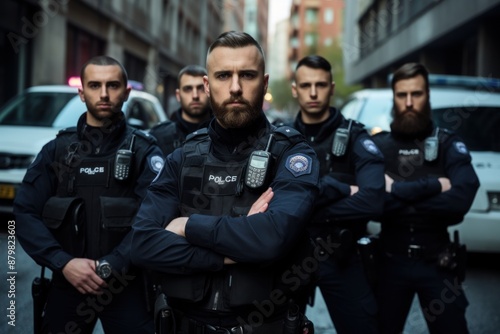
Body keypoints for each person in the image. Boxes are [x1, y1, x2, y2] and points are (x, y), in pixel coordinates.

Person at [130, 31, 320, 334]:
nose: (235, 87)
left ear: (265, 83)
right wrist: (234, 250)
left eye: (247, 75)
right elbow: (142, 244)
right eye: (222, 76)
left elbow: (272, 239)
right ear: (207, 85)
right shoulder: (181, 158)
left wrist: (186, 226)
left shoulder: (292, 154)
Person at [13, 55, 164, 334]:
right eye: (94, 85)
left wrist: (112, 265)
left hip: (125, 285)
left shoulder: (144, 151)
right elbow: (24, 213)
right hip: (68, 282)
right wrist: (63, 262)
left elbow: (154, 220)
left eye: (112, 85)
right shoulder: (57, 150)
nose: (104, 94)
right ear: (82, 93)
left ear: (127, 92)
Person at [372, 62, 480, 334]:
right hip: (389, 261)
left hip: (438, 263)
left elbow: (461, 200)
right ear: (394, 97)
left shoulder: (447, 143)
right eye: (401, 95)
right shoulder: (379, 146)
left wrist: (395, 191)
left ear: (427, 96)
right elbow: (372, 203)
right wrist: (434, 186)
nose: (409, 102)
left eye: (416, 94)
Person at [289, 55, 384, 333]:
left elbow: (374, 200)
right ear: (295, 89)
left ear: (331, 87)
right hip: (289, 256)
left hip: (341, 254)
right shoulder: (280, 138)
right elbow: (268, 196)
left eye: (320, 85)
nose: (314, 93)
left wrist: (307, 208)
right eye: (306, 85)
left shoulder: (356, 137)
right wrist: (342, 189)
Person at [150, 64, 212, 155]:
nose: (195, 96)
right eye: (188, 89)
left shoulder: (224, 133)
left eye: (201, 88)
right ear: (178, 95)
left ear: (209, 90)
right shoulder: (158, 136)